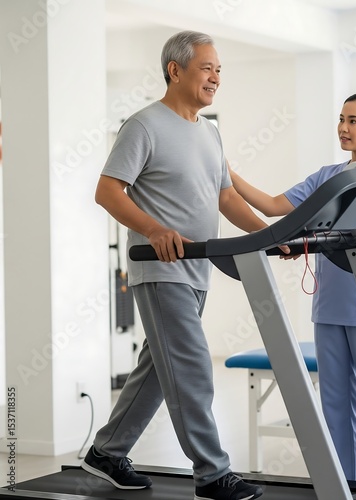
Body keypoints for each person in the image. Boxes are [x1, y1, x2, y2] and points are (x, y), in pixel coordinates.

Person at [82, 30, 265, 500]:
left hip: (198, 270)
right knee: (192, 367)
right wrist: (155, 228)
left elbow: (225, 196)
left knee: (159, 370)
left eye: (219, 69)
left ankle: (106, 451)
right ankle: (212, 471)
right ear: (175, 70)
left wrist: (267, 235)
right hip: (159, 268)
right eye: (208, 68)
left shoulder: (211, 132)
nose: (216, 78)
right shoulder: (144, 125)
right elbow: (107, 190)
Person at [229, 91, 356, 483]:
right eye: (341, 119)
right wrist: (227, 173)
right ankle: (342, 483)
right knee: (334, 402)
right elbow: (272, 205)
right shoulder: (326, 176)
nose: (343, 128)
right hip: (330, 307)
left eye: (353, 121)